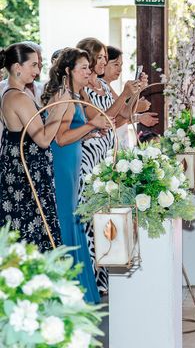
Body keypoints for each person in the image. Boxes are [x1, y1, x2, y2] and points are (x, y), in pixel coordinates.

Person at [76, 37, 143, 294]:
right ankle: (92, 279)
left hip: (107, 155)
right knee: (93, 217)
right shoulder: (84, 89)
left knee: (107, 214)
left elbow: (123, 117)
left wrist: (133, 94)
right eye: (101, 57)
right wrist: (125, 94)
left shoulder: (104, 85)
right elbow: (102, 118)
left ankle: (106, 278)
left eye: (106, 57)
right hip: (90, 156)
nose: (105, 61)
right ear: (91, 59)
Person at [44, 48, 111, 303]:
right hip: (62, 164)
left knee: (74, 220)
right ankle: (70, 291)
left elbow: (73, 133)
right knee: (66, 221)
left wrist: (88, 133)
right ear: (69, 71)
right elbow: (59, 139)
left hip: (73, 161)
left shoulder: (74, 94)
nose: (89, 72)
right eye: (83, 67)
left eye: (88, 67)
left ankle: (81, 289)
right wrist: (92, 125)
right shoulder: (63, 96)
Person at [0, 43, 66, 251]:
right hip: (26, 177)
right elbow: (44, 139)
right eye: (34, 65)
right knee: (32, 232)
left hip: (24, 172)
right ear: (18, 67)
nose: (38, 71)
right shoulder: (17, 97)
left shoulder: (14, 94)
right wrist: (61, 107)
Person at [101, 45, 158, 148]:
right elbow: (117, 120)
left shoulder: (107, 87)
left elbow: (126, 113)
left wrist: (137, 91)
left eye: (121, 65)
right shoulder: (100, 87)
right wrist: (138, 107)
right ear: (103, 64)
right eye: (115, 64)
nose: (120, 69)